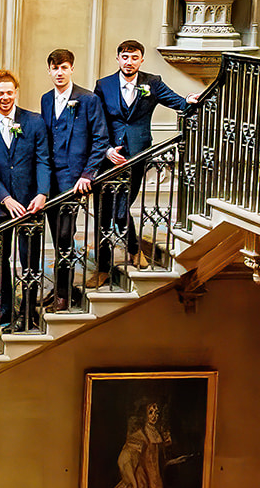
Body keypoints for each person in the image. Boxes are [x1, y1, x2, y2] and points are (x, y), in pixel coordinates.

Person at [93, 41, 198, 274]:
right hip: (108, 158)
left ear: (141, 60)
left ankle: (132, 249)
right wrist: (106, 150)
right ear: (118, 59)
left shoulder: (152, 83)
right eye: (125, 56)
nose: (129, 61)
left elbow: (178, 102)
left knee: (121, 209)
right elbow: (95, 121)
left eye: (134, 57)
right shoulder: (104, 85)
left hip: (138, 155)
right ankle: (103, 266)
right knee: (103, 211)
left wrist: (189, 101)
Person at [0, 70, 52, 333]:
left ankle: (28, 312)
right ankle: (6, 308)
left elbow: (43, 160)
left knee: (29, 259)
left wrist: (42, 193)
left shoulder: (35, 121)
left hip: (32, 203)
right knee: (0, 259)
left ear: (16, 92)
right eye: (0, 93)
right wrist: (6, 199)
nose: (5, 97)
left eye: (9, 92)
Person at [39, 49, 109, 308]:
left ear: (71, 69)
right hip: (49, 180)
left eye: (64, 67)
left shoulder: (88, 99)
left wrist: (87, 175)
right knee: (56, 237)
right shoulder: (46, 99)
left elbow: (100, 139)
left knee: (66, 236)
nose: (59, 72)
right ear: (49, 71)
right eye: (55, 68)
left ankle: (64, 294)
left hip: (73, 180)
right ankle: (60, 286)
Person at [95, 398, 185, 488]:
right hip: (142, 484)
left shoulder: (158, 435)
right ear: (144, 415)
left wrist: (175, 461)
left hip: (157, 484)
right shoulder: (139, 436)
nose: (154, 416)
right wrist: (134, 483)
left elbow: (157, 463)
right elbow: (124, 460)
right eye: (151, 412)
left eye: (156, 412)